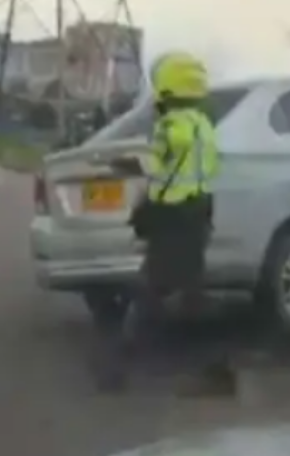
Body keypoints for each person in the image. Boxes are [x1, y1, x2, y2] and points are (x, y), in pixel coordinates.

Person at [91, 51, 228, 394]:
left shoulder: (171, 128)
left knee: (148, 295)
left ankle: (116, 371)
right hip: (197, 217)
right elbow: (207, 170)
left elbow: (155, 168)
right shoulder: (204, 128)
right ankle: (218, 373)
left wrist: (126, 166)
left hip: (171, 221)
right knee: (191, 298)